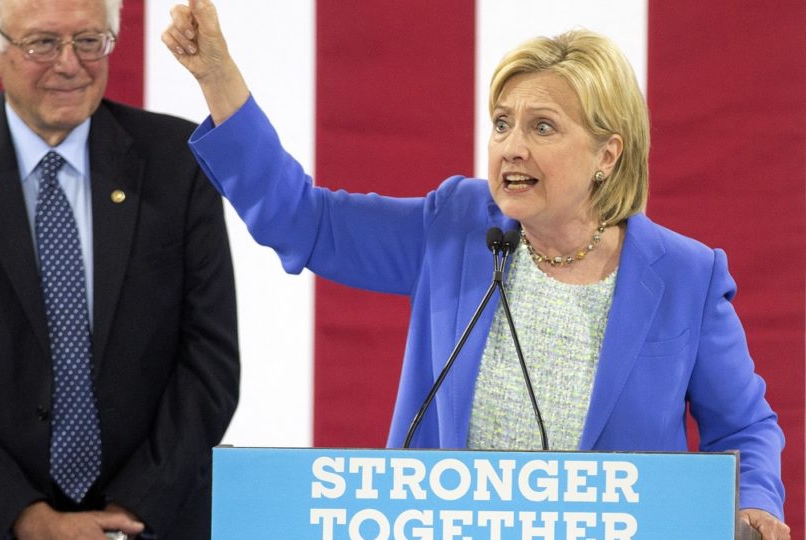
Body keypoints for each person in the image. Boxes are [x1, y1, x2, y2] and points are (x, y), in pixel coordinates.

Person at [162, 1, 790, 538]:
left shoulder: (685, 276)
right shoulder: (459, 226)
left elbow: (743, 426)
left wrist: (754, 506)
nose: (511, 146)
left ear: (607, 153)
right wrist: (219, 78)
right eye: (501, 124)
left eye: (542, 126)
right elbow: (303, 220)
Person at [0, 0, 239, 537]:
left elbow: (211, 361)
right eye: (42, 43)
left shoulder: (177, 165)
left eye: (89, 42)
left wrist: (135, 506)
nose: (70, 64)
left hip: (149, 522)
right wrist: (24, 517)